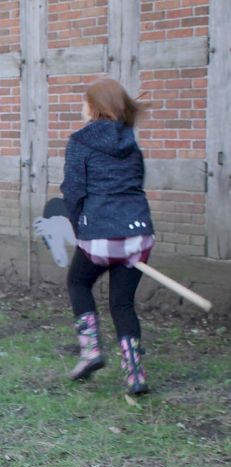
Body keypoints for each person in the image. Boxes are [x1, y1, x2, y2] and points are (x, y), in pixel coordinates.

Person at [61, 78, 154, 395]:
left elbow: (73, 192)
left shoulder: (79, 141)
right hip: (138, 236)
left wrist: (80, 230)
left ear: (94, 107)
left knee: (78, 282)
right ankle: (135, 375)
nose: (81, 107)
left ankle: (91, 352)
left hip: (99, 236)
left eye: (85, 101)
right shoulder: (129, 141)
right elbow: (137, 182)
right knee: (122, 304)